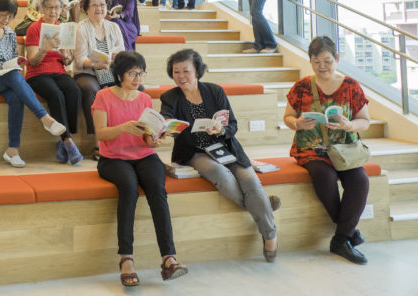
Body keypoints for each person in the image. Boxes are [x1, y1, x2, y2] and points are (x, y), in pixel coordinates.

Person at [160, 48, 279, 262]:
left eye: (185, 71)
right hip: (195, 152)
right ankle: (264, 209)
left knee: (250, 181)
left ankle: (270, 235)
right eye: (176, 71)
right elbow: (166, 119)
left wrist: (221, 130)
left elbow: (232, 124)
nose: (180, 76)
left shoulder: (215, 91)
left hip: (226, 147)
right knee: (222, 176)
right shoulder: (170, 97)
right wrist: (167, 125)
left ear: (197, 71)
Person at [92, 51, 188, 287]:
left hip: (144, 155)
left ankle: (168, 258)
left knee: (157, 187)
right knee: (129, 187)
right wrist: (123, 127)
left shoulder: (144, 98)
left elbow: (146, 137)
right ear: (119, 74)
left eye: (141, 73)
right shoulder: (103, 96)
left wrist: (155, 139)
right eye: (133, 73)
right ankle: (126, 258)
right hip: (113, 158)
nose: (138, 78)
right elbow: (101, 134)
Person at [283, 36, 371, 265]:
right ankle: (348, 233)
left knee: (360, 180)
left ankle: (341, 237)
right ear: (310, 61)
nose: (322, 66)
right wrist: (297, 123)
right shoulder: (302, 86)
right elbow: (288, 117)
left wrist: (349, 125)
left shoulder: (351, 85)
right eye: (316, 61)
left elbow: (365, 121)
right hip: (311, 149)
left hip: (344, 148)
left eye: (327, 61)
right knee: (324, 176)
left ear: (337, 59)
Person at [0, 0, 66, 168]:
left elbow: (11, 59)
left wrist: (18, 62)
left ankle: (12, 150)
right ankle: (45, 119)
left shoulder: (10, 34)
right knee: (13, 77)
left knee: (16, 94)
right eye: (2, 15)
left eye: (10, 17)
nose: (6, 20)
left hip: (4, 77)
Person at [25, 0, 84, 165]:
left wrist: (66, 56)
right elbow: (33, 62)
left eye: (57, 8)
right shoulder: (34, 28)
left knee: (74, 91)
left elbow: (66, 61)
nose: (53, 12)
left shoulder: (63, 28)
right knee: (55, 94)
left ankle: (65, 140)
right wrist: (45, 47)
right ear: (42, 8)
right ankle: (67, 141)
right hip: (37, 74)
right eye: (49, 7)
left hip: (58, 71)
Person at [74, 0, 125, 159]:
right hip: (87, 72)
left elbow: (122, 53)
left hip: (111, 71)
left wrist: (116, 58)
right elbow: (80, 60)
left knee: (136, 88)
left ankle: (126, 139)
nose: (99, 9)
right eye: (94, 5)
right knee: (91, 89)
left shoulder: (114, 27)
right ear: (86, 8)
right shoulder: (81, 28)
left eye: (102, 5)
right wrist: (95, 64)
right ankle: (98, 142)